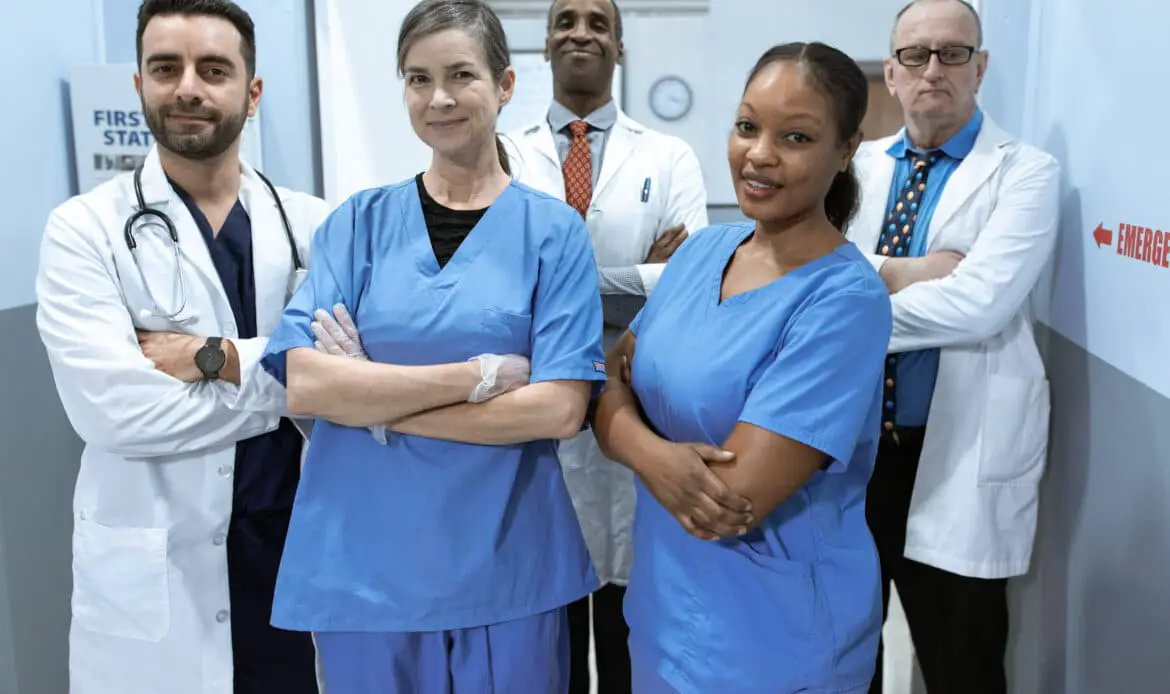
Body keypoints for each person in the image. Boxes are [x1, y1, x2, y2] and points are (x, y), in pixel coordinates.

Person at [256, 1, 608, 692]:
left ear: (504, 86)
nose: (438, 97)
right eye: (418, 79)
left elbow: (558, 410)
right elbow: (306, 383)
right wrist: (479, 375)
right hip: (364, 569)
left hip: (507, 565)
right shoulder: (356, 224)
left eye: (460, 75)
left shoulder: (552, 232)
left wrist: (374, 400)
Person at [34, 1, 331, 693]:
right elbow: (116, 415)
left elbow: (353, 390)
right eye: (165, 68)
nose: (187, 87)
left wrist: (215, 360)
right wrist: (300, 381)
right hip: (159, 569)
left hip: (293, 555)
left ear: (251, 93)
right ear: (139, 84)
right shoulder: (84, 231)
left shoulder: (315, 225)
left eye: (214, 69)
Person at [592, 42, 893, 693]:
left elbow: (728, 504)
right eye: (747, 126)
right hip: (664, 615)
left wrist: (628, 431)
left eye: (796, 136)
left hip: (779, 640)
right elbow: (604, 386)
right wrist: (660, 457)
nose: (759, 154)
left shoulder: (843, 299)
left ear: (846, 150)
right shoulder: (702, 253)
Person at [845, 1, 1060, 692]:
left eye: (953, 53)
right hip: (854, 452)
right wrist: (903, 270)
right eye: (915, 54)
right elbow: (810, 276)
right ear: (892, 70)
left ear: (982, 66)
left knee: (961, 662)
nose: (932, 69)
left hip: (955, 454)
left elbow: (979, 305)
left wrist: (848, 291)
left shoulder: (1026, 172)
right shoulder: (857, 167)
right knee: (845, 657)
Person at [505, 2, 708, 689]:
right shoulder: (505, 151)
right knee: (549, 624)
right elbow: (496, 285)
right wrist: (633, 280)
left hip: (637, 402)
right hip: (533, 405)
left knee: (630, 621)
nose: (580, 32)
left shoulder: (669, 154)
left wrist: (554, 284)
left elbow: (683, 285)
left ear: (618, 44)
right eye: (565, 19)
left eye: (598, 21)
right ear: (546, 43)